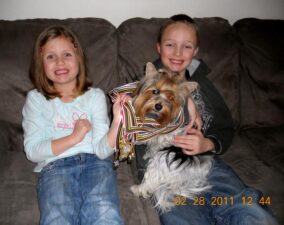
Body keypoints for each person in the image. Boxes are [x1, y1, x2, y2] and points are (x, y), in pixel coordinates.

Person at [134, 14, 279, 225]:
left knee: (249, 210)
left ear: (195, 52)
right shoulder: (148, 80)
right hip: (165, 169)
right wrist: (184, 102)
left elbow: (225, 127)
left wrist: (207, 143)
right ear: (158, 47)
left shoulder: (204, 85)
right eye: (170, 44)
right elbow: (133, 117)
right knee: (182, 218)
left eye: (186, 46)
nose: (177, 52)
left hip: (206, 163)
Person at [22, 25, 125, 225]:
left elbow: (103, 151)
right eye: (50, 56)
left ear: (79, 58)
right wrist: (74, 138)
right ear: (40, 63)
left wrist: (118, 121)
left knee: (104, 212)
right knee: (57, 217)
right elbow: (33, 151)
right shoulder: (36, 99)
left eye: (67, 54)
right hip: (55, 167)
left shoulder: (94, 96)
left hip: (97, 163)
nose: (60, 61)